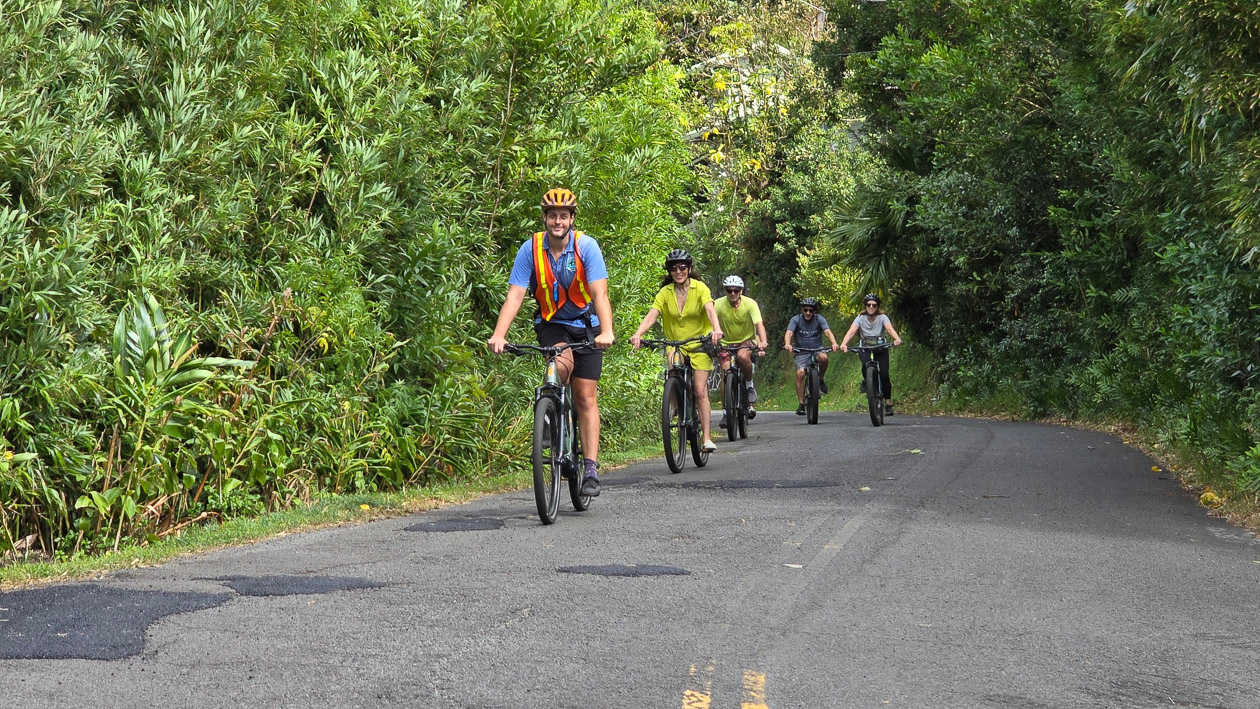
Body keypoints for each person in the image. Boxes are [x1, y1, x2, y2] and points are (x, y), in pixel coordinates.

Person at [488, 188, 614, 497]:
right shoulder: (530, 249)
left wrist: (606, 332)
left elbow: (600, 294)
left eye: (563, 216)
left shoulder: (587, 247)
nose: (557, 221)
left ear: (572, 219)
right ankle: (549, 415)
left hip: (587, 327)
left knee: (585, 396)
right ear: (545, 218)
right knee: (560, 363)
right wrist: (499, 334)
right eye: (552, 215)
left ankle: (590, 468)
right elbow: (515, 295)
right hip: (552, 325)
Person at [630, 249, 724, 452]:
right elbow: (652, 315)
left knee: (700, 390)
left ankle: (706, 438)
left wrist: (716, 329)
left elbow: (710, 310)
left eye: (682, 267)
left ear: (689, 269)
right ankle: (674, 403)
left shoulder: (700, 288)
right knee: (673, 367)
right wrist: (638, 334)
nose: (678, 271)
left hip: (699, 342)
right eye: (674, 268)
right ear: (670, 272)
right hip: (676, 344)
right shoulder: (666, 292)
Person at [713, 275, 768, 430]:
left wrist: (763, 342)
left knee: (742, 356)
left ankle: (749, 386)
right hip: (726, 343)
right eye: (729, 290)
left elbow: (759, 324)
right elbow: (710, 323)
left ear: (741, 291)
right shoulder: (718, 304)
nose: (732, 293)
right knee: (725, 371)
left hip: (747, 341)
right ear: (725, 291)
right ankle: (726, 411)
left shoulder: (750, 304)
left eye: (735, 290)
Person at [839, 293, 903, 414]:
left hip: (880, 347)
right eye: (869, 304)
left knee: (884, 375)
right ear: (865, 306)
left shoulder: (882, 317)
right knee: (865, 365)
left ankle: (888, 403)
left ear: (877, 306)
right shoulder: (860, 318)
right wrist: (843, 343)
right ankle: (867, 380)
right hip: (865, 347)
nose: (871, 307)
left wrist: (896, 339)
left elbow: (889, 329)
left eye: (874, 305)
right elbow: (851, 331)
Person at [783, 297, 839, 416]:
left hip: (817, 348)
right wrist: (788, 344)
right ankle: (801, 404)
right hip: (801, 350)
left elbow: (827, 332)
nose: (808, 313)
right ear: (802, 310)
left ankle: (821, 379)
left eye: (811, 310)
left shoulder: (819, 319)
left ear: (814, 311)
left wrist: (834, 343)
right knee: (800, 374)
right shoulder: (796, 319)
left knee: (824, 358)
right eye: (805, 310)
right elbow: (789, 333)